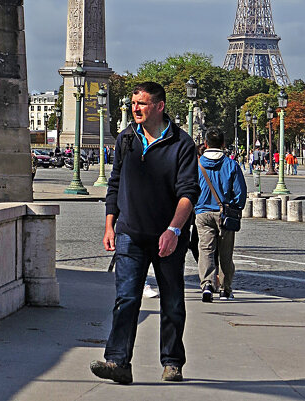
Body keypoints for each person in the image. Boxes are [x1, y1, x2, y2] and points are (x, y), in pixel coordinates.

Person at [89, 82, 198, 385]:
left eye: (142, 103)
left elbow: (189, 193)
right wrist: (110, 225)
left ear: (160, 106)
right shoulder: (126, 139)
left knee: (173, 301)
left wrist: (174, 229)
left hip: (168, 235)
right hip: (130, 232)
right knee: (126, 298)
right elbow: (114, 184)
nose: (135, 108)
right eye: (134, 102)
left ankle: (172, 361)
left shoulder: (182, 144)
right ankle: (118, 361)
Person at [195, 128, 247, 302]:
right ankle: (225, 288)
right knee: (226, 253)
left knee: (206, 250)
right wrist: (236, 207)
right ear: (223, 144)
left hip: (202, 212)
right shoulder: (231, 164)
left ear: (206, 144)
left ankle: (207, 284)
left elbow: (189, 188)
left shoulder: (197, 164)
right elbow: (240, 192)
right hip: (224, 212)